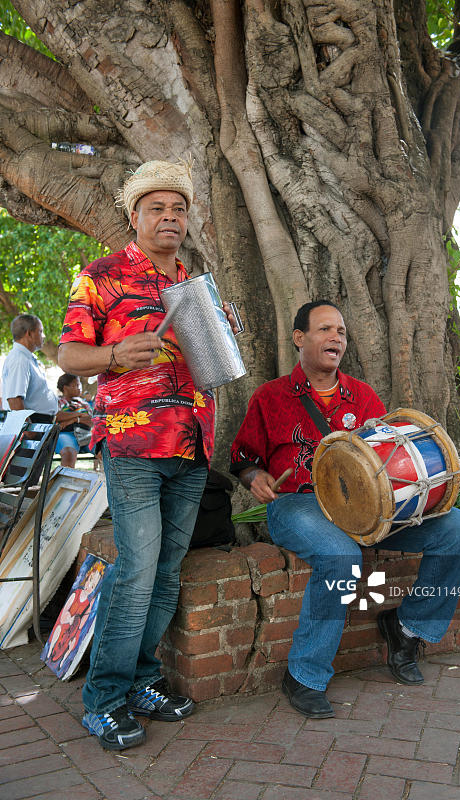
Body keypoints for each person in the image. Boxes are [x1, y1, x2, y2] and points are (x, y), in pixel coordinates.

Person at [58, 159, 238, 751]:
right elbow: (67, 357)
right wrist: (113, 356)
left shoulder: (192, 283)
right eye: (157, 208)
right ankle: (104, 699)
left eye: (178, 208)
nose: (169, 217)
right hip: (133, 442)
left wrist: (224, 329)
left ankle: (141, 680)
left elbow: (215, 364)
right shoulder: (102, 277)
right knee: (137, 570)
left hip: (192, 442)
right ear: (134, 216)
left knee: (164, 572)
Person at [231, 300, 460, 719]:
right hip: (299, 505)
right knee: (342, 558)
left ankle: (407, 628)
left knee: (455, 528)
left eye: (341, 332)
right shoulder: (269, 397)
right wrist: (254, 476)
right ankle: (304, 674)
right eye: (325, 329)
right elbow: (240, 456)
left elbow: (385, 465)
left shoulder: (361, 395)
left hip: (366, 509)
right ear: (299, 338)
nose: (336, 338)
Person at [1, 314, 58, 416]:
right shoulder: (19, 359)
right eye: (40, 331)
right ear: (29, 334)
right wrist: (29, 431)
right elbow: (14, 400)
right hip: (32, 427)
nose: (43, 336)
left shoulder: (27, 358)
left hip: (42, 422)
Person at [55, 373, 94, 467]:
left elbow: (92, 420)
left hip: (86, 434)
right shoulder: (57, 401)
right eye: (75, 385)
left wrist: (72, 420)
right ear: (65, 388)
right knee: (68, 453)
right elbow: (57, 416)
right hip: (65, 434)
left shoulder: (83, 403)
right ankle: (66, 481)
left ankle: (105, 479)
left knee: (104, 449)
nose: (79, 388)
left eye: (79, 385)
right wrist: (79, 414)